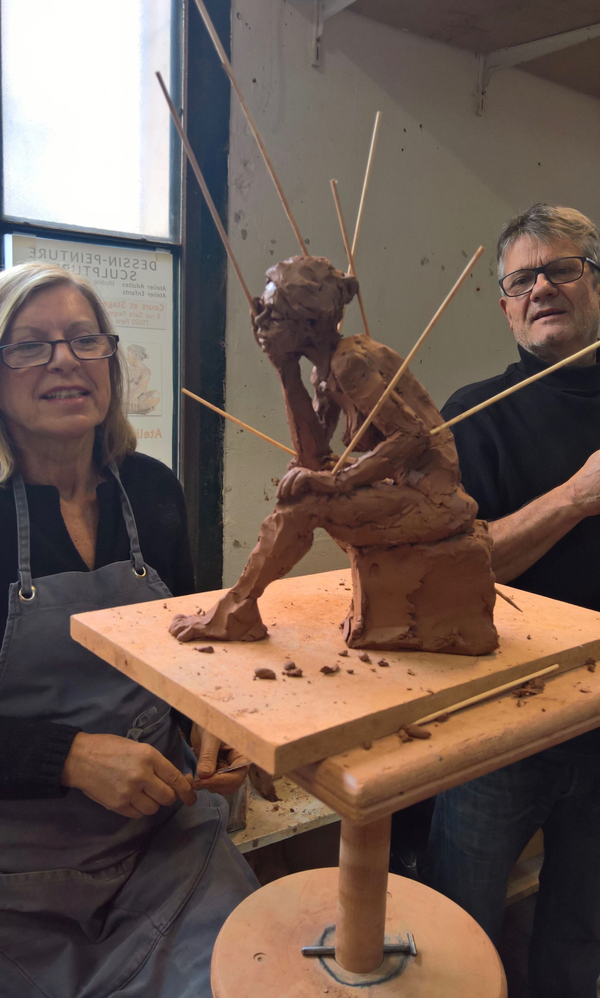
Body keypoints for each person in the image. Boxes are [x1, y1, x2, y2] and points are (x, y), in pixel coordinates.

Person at [0, 262, 257, 998]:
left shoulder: (150, 490)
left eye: (85, 339)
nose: (63, 360)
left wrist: (212, 719)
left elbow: (194, 645)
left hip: (161, 842)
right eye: (29, 344)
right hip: (17, 880)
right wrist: (70, 757)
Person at [426, 204, 600, 998]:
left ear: (593, 281)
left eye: (560, 269)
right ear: (504, 306)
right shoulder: (471, 412)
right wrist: (574, 497)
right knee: (457, 923)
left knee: (581, 933)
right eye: (521, 279)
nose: (541, 288)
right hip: (497, 718)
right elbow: (458, 571)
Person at [170, 255, 497, 656]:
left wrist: (339, 481)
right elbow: (312, 455)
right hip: (405, 489)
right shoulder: (322, 371)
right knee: (301, 489)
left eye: (272, 314)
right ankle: (239, 609)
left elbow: (412, 435)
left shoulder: (350, 362)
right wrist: (285, 371)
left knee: (303, 506)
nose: (260, 324)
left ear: (308, 322)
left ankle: (238, 610)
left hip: (435, 499)